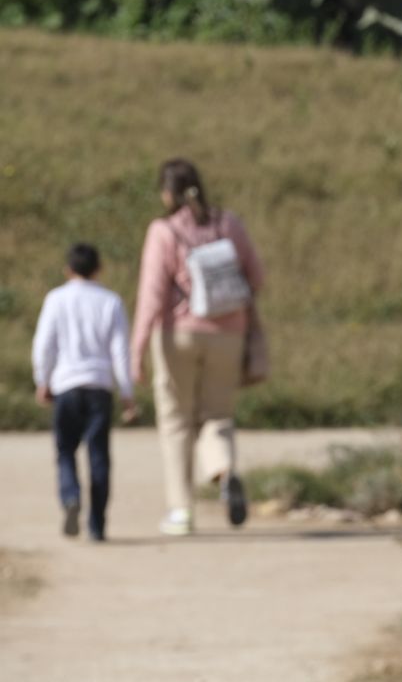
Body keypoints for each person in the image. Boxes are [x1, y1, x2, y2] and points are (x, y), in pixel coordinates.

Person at [131, 158, 265, 536]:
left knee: (176, 421)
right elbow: (257, 277)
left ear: (167, 193)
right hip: (228, 333)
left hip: (179, 334)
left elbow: (152, 294)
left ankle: (181, 511)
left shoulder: (164, 231)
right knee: (217, 415)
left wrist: (137, 348)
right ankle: (224, 472)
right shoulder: (229, 224)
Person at [32, 243, 138, 542]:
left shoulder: (56, 299)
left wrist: (43, 380)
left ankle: (70, 497)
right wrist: (127, 393)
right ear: (99, 269)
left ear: (68, 270)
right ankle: (97, 524)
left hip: (66, 385)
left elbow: (44, 345)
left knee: (65, 450)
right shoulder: (111, 301)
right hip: (99, 388)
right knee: (99, 456)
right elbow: (120, 352)